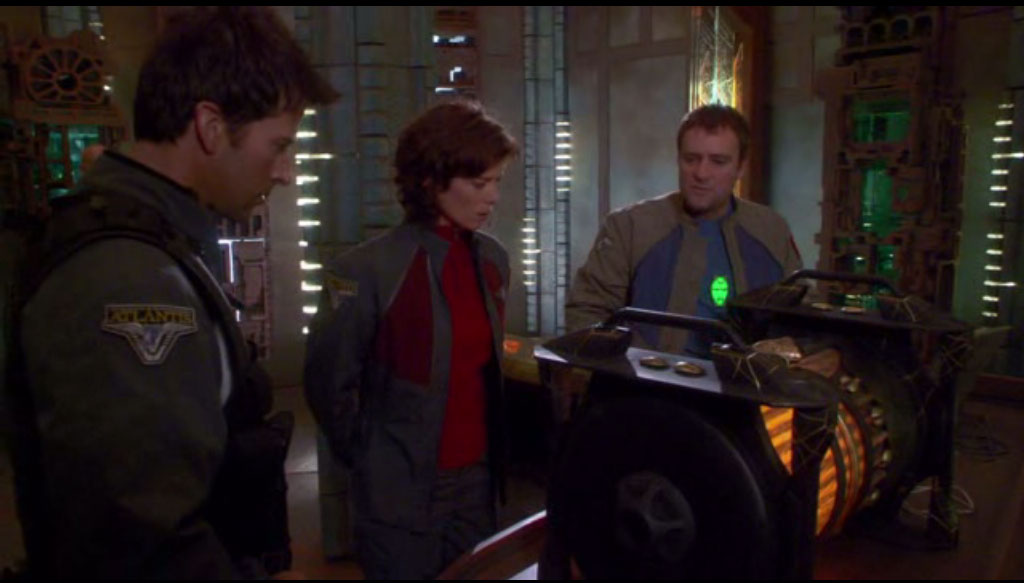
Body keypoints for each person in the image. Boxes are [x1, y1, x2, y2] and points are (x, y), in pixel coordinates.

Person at [4, 7, 337, 578]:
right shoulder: (127, 278)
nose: (285, 172)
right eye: (278, 145)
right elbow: (138, 537)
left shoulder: (153, 242)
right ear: (210, 127)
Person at [304, 100, 518, 579]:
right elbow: (328, 383)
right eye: (478, 183)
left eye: (497, 181)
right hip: (398, 490)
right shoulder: (365, 270)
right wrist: (372, 458)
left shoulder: (493, 262)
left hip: (477, 484)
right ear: (430, 179)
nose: (492, 197)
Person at [565, 104, 802, 355]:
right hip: (644, 377)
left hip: (744, 378)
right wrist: (634, 363)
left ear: (741, 167)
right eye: (691, 159)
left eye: (718, 162)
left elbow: (802, 314)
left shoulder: (771, 230)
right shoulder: (630, 227)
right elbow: (586, 312)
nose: (701, 173)